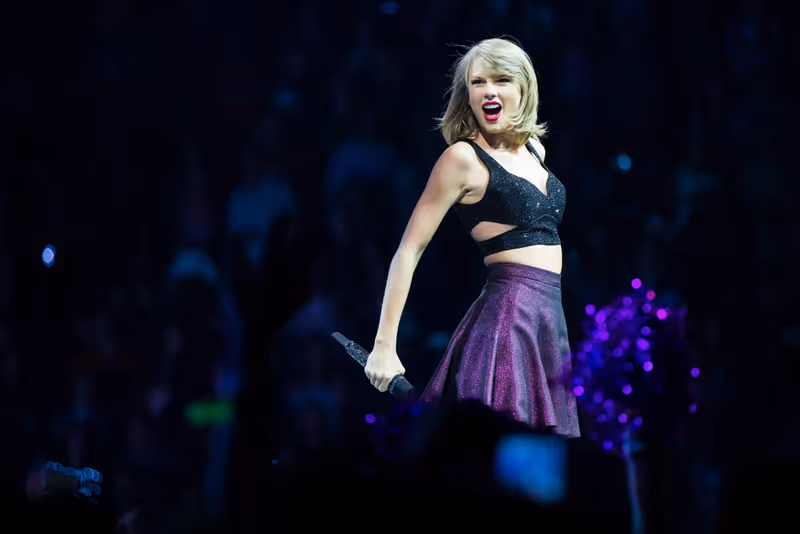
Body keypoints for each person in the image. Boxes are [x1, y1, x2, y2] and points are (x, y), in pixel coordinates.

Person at [364, 37, 579, 438]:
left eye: (501, 80)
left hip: (548, 320)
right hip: (507, 321)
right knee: (502, 451)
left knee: (538, 458)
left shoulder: (535, 150)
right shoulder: (461, 159)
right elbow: (409, 250)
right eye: (478, 82)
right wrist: (384, 345)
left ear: (523, 88)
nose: (488, 91)